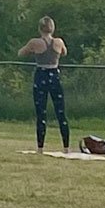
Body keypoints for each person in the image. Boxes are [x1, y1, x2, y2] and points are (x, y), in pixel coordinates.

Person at [19, 16, 70, 153]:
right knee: (61, 112)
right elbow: (64, 52)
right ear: (52, 28)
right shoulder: (58, 41)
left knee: (41, 112)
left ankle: (40, 147)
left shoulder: (35, 42)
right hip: (55, 75)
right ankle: (66, 147)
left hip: (41, 74)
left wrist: (32, 50)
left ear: (39, 28)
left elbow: (21, 53)